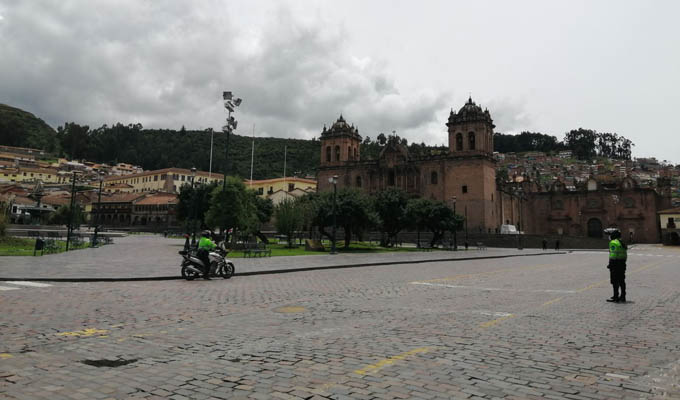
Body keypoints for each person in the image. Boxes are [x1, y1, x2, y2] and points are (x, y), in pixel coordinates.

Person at [606, 228, 627, 303]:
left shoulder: (613, 243)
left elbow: (613, 255)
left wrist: (610, 265)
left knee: (615, 281)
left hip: (615, 264)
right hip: (622, 263)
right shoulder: (621, 242)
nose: (609, 236)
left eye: (610, 235)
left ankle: (616, 297)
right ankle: (623, 296)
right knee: (621, 280)